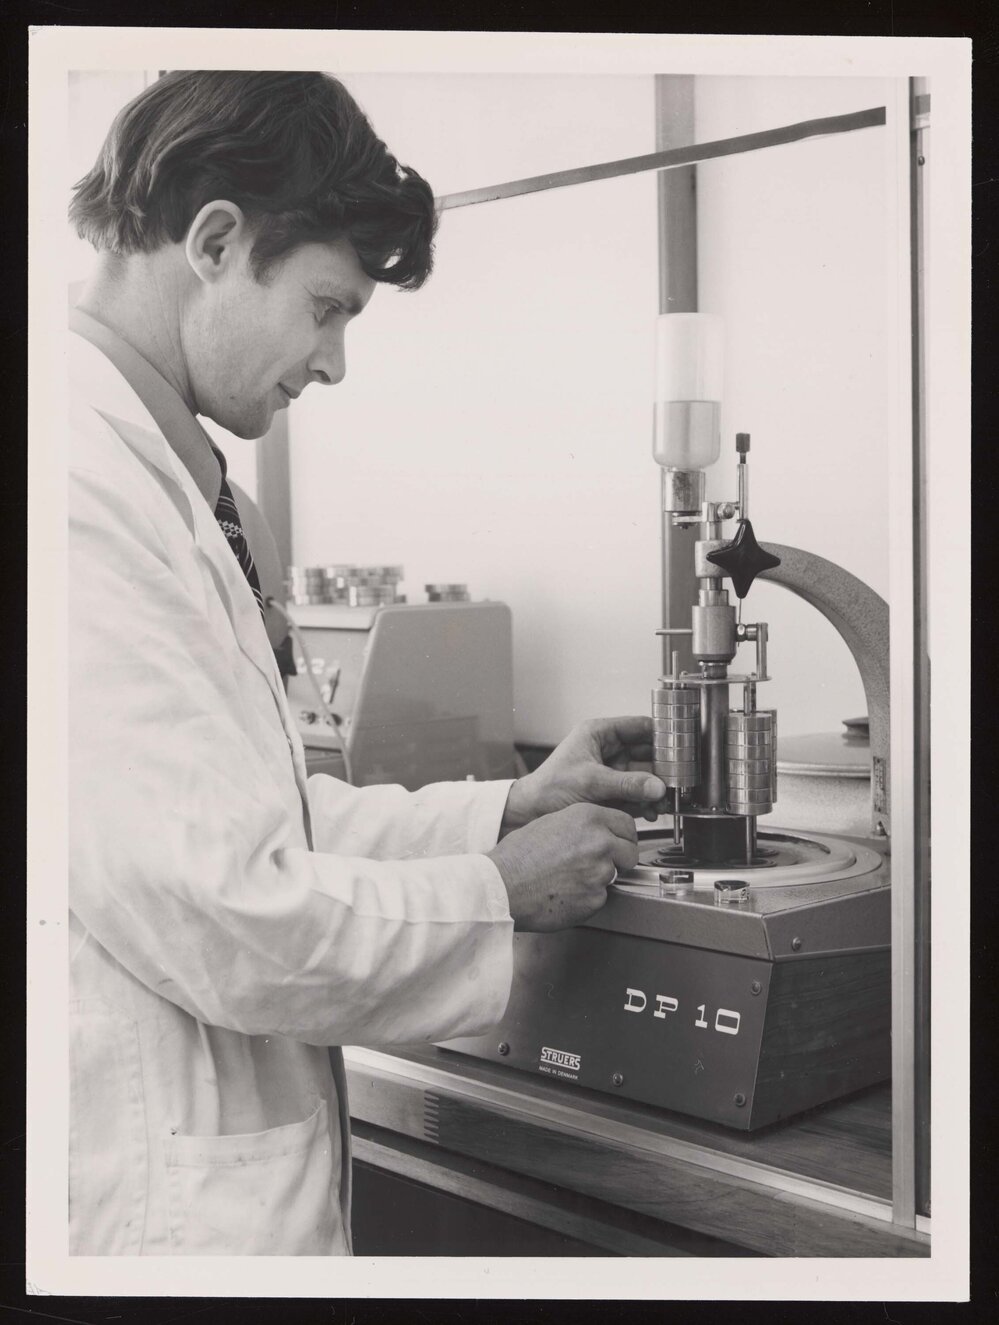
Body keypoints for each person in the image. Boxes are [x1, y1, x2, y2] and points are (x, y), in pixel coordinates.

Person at [67, 70, 667, 1256]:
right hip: (152, 1215)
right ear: (217, 241)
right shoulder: (74, 499)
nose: (334, 364)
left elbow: (258, 821)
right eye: (327, 307)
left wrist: (508, 804)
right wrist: (500, 888)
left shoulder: (159, 483)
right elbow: (230, 909)